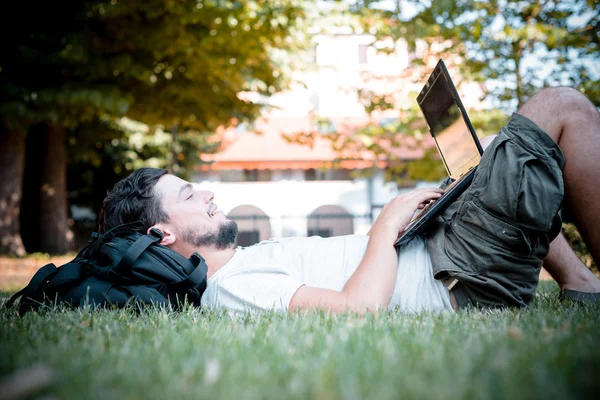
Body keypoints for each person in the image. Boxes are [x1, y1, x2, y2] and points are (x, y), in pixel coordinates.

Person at [98, 87, 600, 314]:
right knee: (562, 107)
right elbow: (356, 310)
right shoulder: (229, 289)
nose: (207, 190)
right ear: (162, 235)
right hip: (457, 277)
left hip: (442, 250)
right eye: (189, 193)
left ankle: (580, 285)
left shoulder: (244, 263)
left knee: (488, 155)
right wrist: (385, 228)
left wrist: (412, 221)